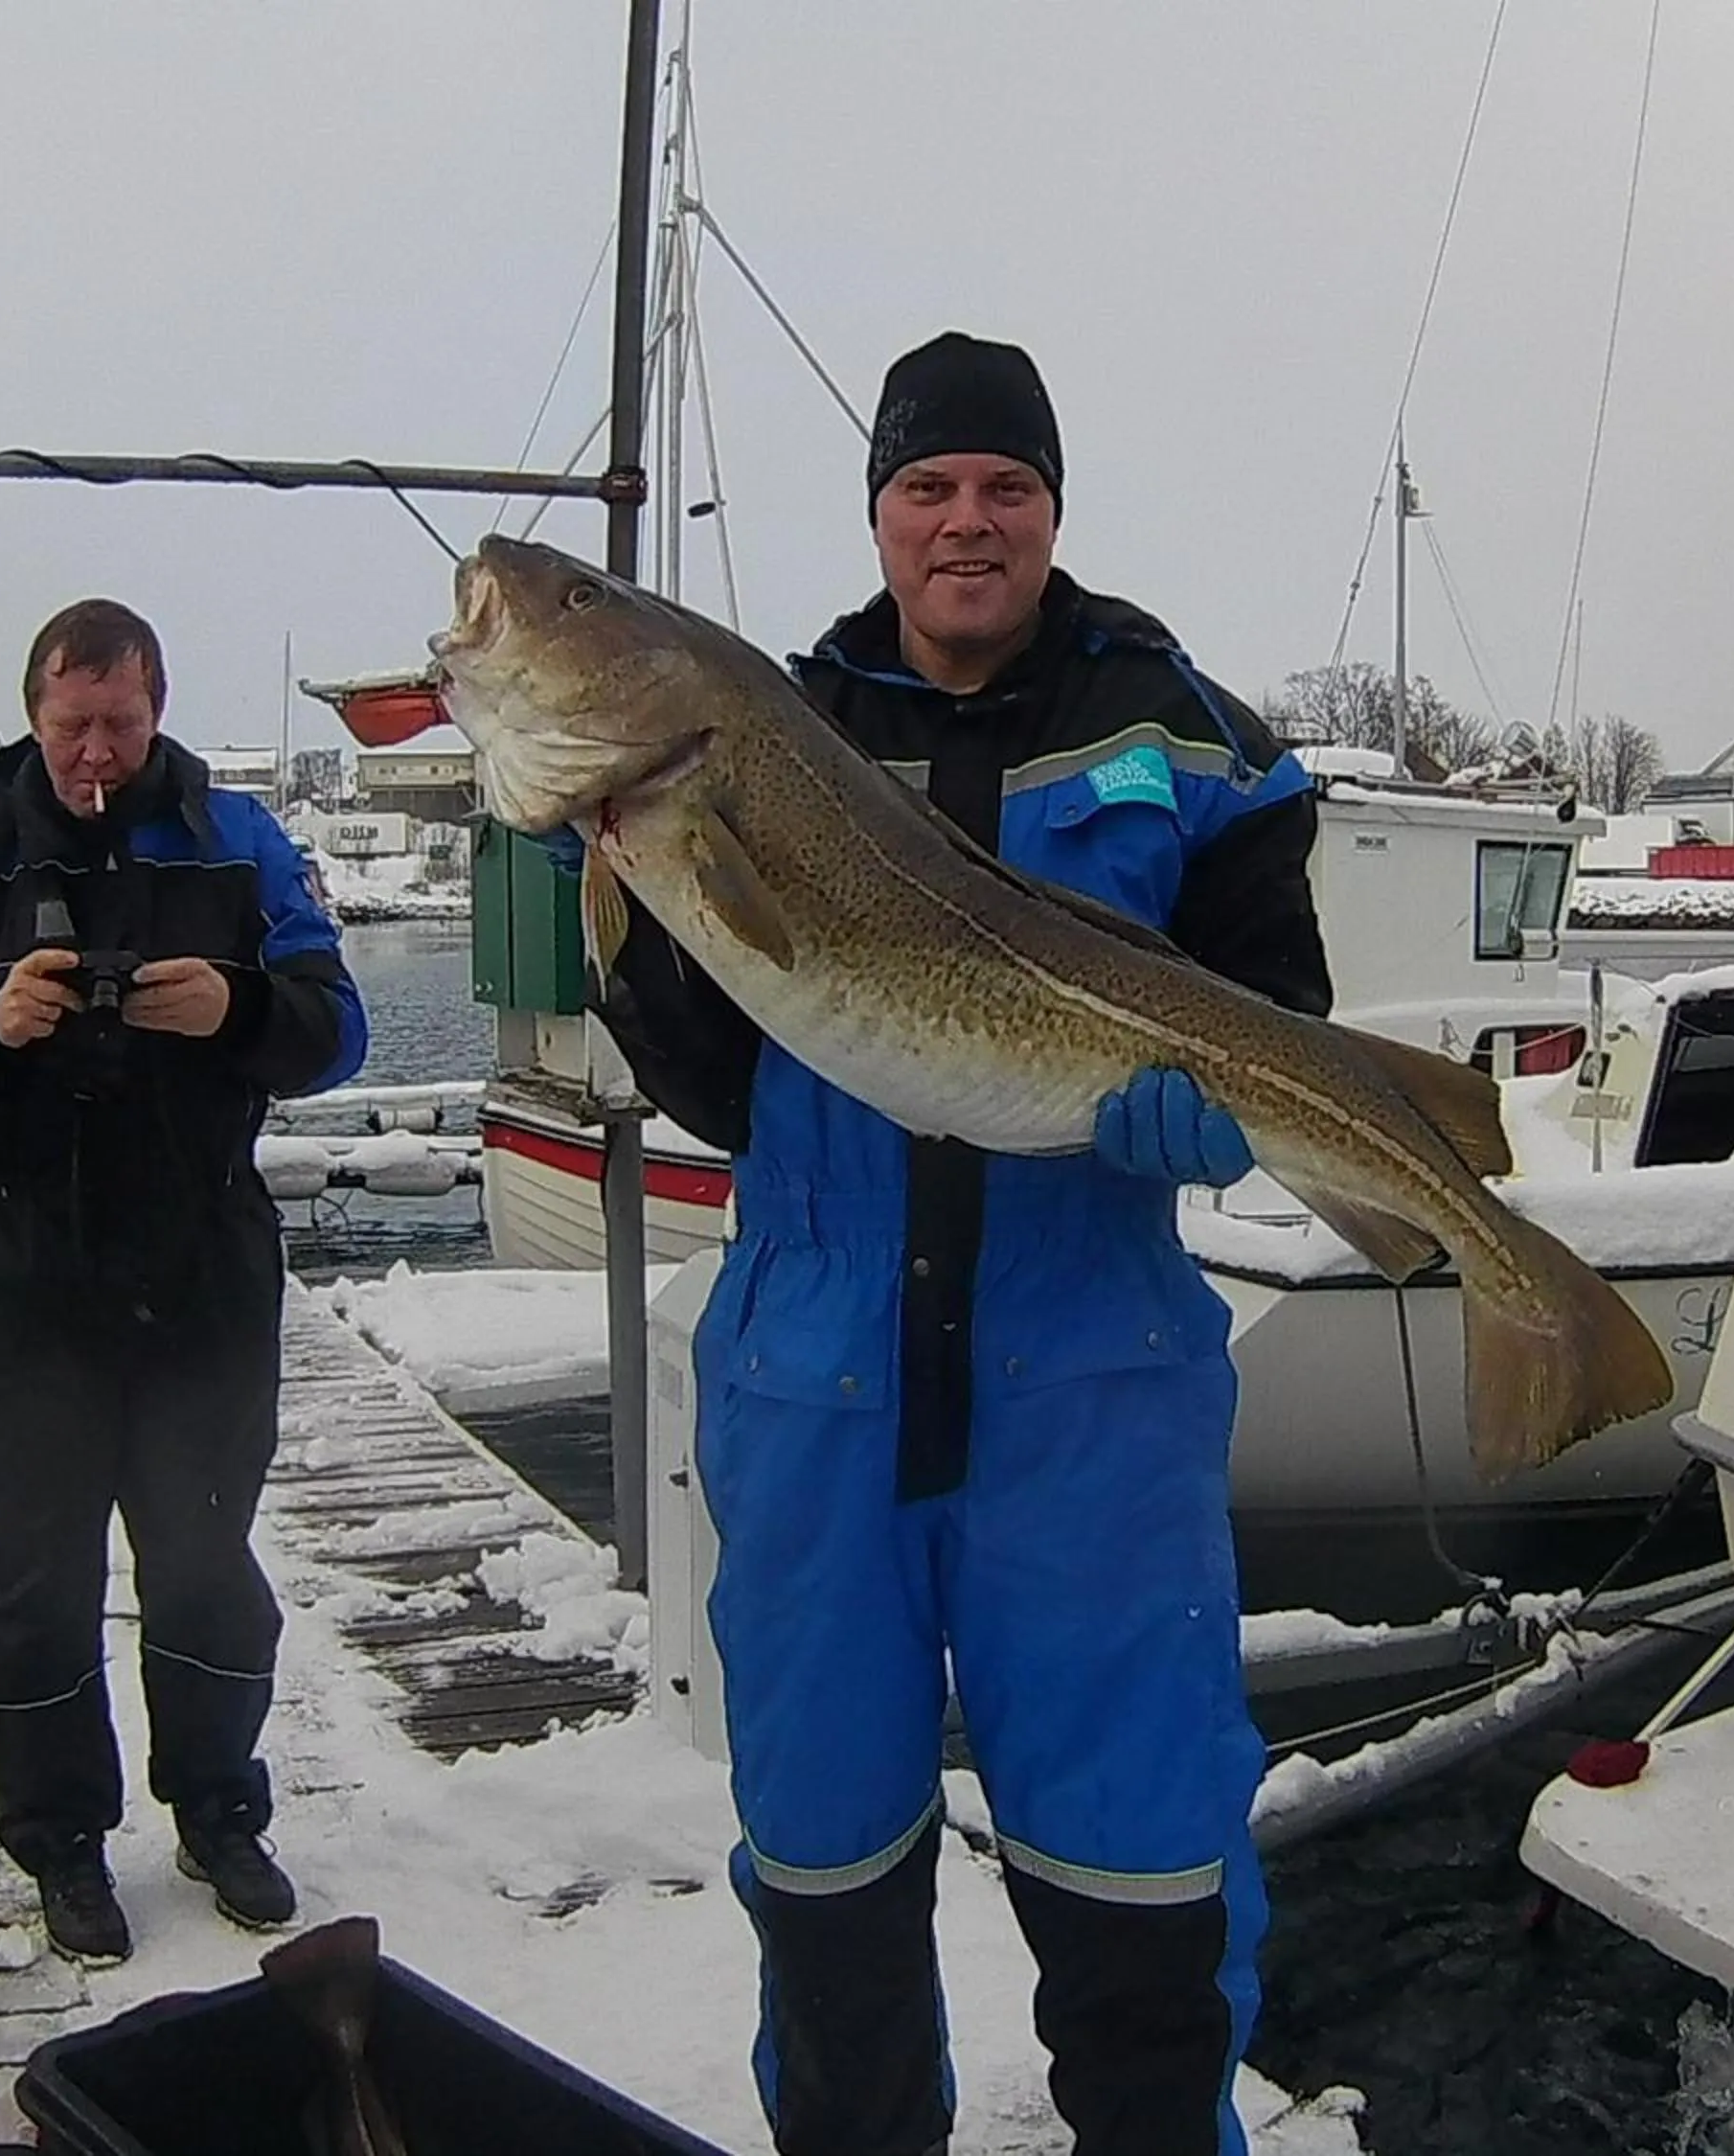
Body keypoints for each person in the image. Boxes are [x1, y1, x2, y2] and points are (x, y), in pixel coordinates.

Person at [591, 332, 1333, 2156]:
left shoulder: (1202, 742)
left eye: (1004, 484)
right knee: (830, 1915)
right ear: (881, 516)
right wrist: (623, 899)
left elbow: (1282, 1021)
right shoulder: (773, 729)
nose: (966, 520)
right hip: (817, 1393)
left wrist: (1208, 1110)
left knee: (1147, 1924)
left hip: (1089, 1417)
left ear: (1054, 507)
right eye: (928, 487)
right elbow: (720, 1089)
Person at [0, 599, 367, 1965]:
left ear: (157, 708)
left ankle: (216, 1805)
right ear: (33, 711)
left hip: (197, 1256)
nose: (96, 748)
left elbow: (338, 1029)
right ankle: (62, 1840)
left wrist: (238, 1009)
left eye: (122, 722)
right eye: (72, 722)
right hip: (20, 1263)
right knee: (36, 1578)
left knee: (202, 1559)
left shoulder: (234, 841)